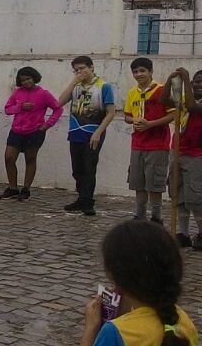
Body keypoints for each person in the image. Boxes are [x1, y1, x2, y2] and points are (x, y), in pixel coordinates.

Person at [57, 56, 118, 217]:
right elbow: (59, 102)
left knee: (89, 167)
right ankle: (81, 197)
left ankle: (88, 201)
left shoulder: (103, 86)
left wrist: (98, 132)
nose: (79, 72)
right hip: (76, 131)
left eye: (82, 68)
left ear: (91, 67)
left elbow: (110, 113)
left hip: (93, 131)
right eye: (76, 70)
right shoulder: (75, 86)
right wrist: (73, 82)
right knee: (77, 169)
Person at [122, 57, 174, 224]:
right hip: (138, 143)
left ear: (151, 71)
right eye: (135, 71)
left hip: (157, 144)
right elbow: (127, 116)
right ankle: (140, 215)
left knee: (155, 183)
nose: (139, 74)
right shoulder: (132, 93)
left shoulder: (162, 90)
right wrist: (134, 120)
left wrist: (150, 124)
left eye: (142, 70)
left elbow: (173, 115)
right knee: (138, 182)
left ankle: (156, 216)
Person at [2, 66, 63, 201]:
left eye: (28, 79)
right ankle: (12, 188)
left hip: (35, 131)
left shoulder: (44, 94)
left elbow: (58, 109)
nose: (26, 82)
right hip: (16, 131)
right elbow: (7, 109)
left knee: (30, 159)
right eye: (23, 80)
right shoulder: (17, 93)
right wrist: (20, 107)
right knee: (9, 158)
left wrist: (47, 125)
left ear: (34, 78)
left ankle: (26, 189)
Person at [168, 67, 202, 249]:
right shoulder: (182, 99)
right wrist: (171, 80)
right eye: (197, 81)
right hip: (177, 151)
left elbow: (192, 106)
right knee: (177, 193)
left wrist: (187, 78)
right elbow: (164, 100)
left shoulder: (193, 103)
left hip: (196, 155)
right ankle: (183, 233)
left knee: (195, 197)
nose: (199, 85)